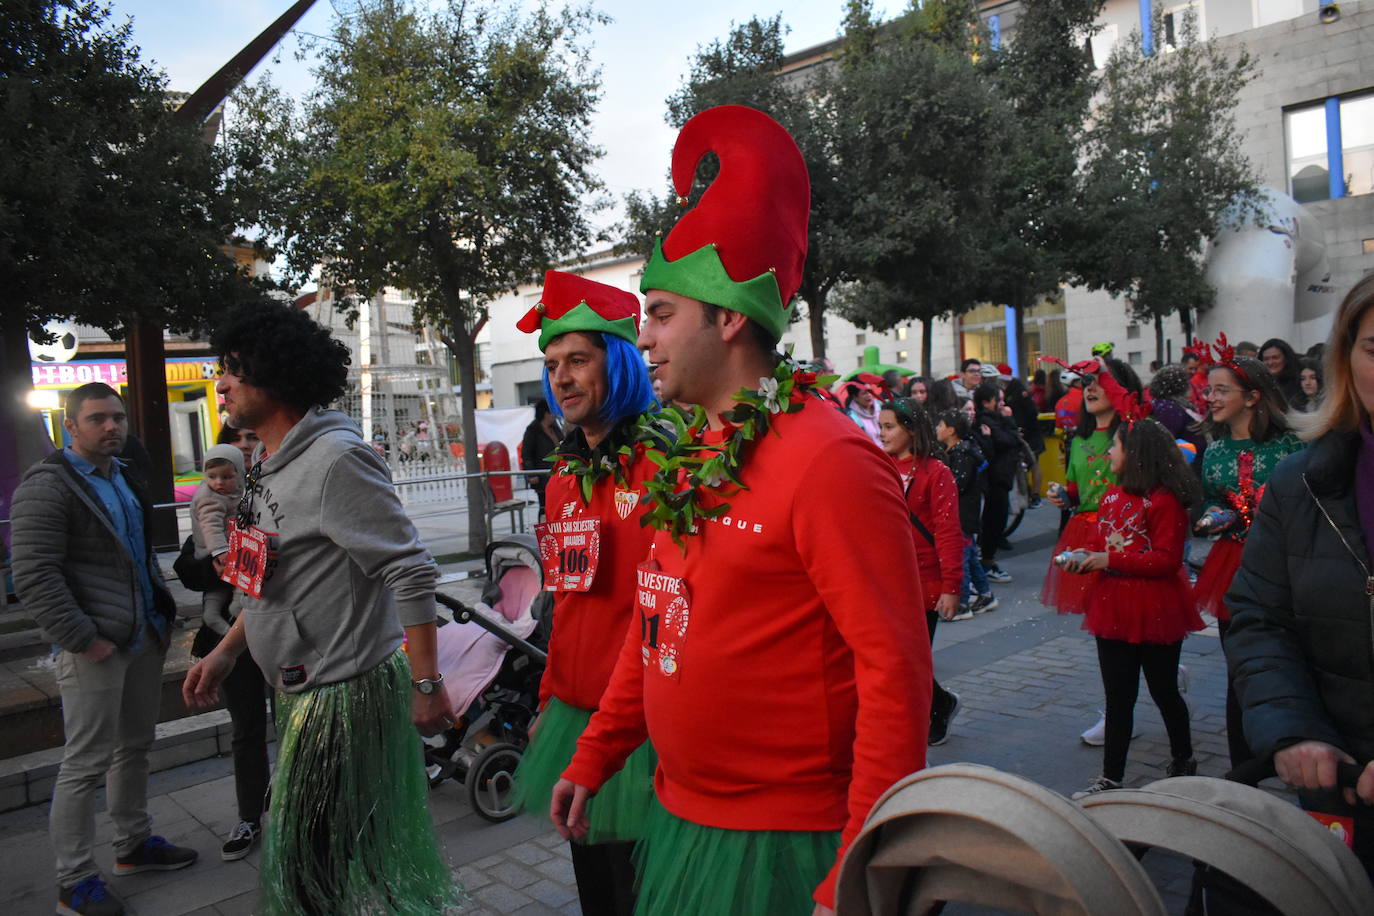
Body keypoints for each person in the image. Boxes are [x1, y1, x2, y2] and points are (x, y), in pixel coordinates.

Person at [550, 105, 929, 916]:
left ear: (727, 319)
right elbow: (655, 628)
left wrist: (858, 864)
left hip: (790, 845)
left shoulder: (830, 459)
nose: (641, 339)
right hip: (684, 815)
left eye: (658, 314)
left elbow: (894, 671)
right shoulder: (687, 451)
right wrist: (596, 754)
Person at [182, 300, 458, 915]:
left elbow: (409, 568)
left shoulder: (337, 460)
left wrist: (427, 682)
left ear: (273, 374)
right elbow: (273, 581)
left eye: (233, 370)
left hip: (346, 694)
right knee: (320, 874)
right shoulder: (265, 467)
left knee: (312, 876)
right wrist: (228, 651)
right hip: (302, 693)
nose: (220, 384)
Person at [11, 382, 195, 916]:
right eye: (97, 419)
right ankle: (74, 880)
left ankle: (132, 845)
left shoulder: (123, 476)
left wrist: (160, 615)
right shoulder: (48, 486)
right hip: (95, 645)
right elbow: (35, 575)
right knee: (85, 763)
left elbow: (137, 557)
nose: (111, 427)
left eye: (117, 417)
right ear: (70, 427)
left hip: (142, 637)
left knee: (133, 748)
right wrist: (82, 638)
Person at [510, 271, 658, 915]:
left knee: (645, 892)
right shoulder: (564, 477)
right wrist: (548, 697)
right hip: (576, 707)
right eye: (551, 364)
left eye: (578, 359)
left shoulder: (670, 468)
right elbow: (565, 600)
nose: (562, 378)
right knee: (596, 885)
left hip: (648, 718)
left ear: (619, 362)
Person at [1224, 273, 1374, 879]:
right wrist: (1292, 731)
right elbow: (1260, 620)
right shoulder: (1300, 484)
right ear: (1345, 358)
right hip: (1337, 791)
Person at [1065, 413, 1203, 797]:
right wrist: (1085, 556)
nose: (1110, 450)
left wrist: (1109, 560)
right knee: (1118, 699)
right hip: (1112, 608)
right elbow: (1103, 542)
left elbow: (1166, 560)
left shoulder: (1164, 501)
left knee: (1163, 691)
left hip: (1156, 608)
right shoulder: (1111, 494)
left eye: (1116, 445)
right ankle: (1110, 778)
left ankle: (1183, 758)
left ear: (1135, 453)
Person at [1191, 339, 1304, 768]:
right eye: (1210, 390)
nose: (1210, 397)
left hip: (1287, 567)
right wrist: (1214, 515)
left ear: (1253, 396)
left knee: (1292, 664)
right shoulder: (1215, 451)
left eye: (1221, 390)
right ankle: (1245, 766)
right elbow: (1206, 501)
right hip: (1233, 566)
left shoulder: (1293, 445)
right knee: (1240, 669)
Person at [188, 443, 271, 862]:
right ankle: (249, 815)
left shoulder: (272, 494)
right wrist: (221, 562)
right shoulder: (213, 503)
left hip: (278, 628)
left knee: (295, 724)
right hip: (233, 639)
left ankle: (292, 801)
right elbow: (188, 568)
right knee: (247, 727)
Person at [879, 398, 965, 745]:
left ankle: (936, 709)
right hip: (886, 578)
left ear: (911, 430)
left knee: (911, 657)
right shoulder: (878, 465)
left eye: (889, 427)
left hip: (924, 580)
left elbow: (948, 530)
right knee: (894, 655)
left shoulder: (936, 473)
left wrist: (951, 586)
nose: (881, 433)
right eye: (881, 426)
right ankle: (939, 702)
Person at [1042, 357, 1141, 616]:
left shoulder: (1134, 434)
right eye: (1086, 382)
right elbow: (1076, 493)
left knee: (1126, 608)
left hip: (1124, 534)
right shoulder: (1078, 441)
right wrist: (1063, 496)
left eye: (1100, 382)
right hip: (1085, 534)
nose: (1090, 389)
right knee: (1099, 612)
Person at [935, 409, 997, 619]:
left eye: (940, 425)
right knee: (969, 555)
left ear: (951, 431)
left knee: (960, 556)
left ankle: (961, 603)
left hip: (962, 515)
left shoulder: (961, 454)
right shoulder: (962, 451)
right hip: (966, 513)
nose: (937, 429)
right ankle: (986, 594)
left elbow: (957, 484)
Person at [972, 382, 1019, 583]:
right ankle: (987, 562)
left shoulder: (995, 420)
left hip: (1002, 477)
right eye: (997, 400)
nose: (1001, 403)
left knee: (996, 521)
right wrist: (1010, 424)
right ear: (985, 403)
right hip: (994, 479)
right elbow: (1007, 440)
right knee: (993, 522)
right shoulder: (985, 421)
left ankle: (986, 561)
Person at [1145, 365, 1205, 458]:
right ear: (1180, 385)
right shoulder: (1168, 408)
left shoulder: (1171, 405)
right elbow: (1165, 444)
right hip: (1186, 466)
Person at [520, 398, 563, 517]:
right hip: (542, 475)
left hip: (557, 473)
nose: (555, 415)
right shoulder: (532, 430)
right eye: (552, 412)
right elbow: (526, 454)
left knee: (558, 504)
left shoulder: (555, 428)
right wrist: (531, 473)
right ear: (546, 413)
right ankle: (544, 529)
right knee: (544, 505)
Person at [1005, 378, 1044, 507]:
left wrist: (1023, 428)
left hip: (1029, 435)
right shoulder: (1015, 392)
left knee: (1033, 463)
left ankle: (1034, 495)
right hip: (1028, 433)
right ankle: (1032, 494)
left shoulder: (1015, 394)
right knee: (1031, 464)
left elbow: (1031, 414)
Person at [1259, 337, 1304, 407]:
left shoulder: (1301, 381)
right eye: (1266, 359)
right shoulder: (1259, 383)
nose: (1270, 363)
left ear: (1286, 358)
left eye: (1275, 358)